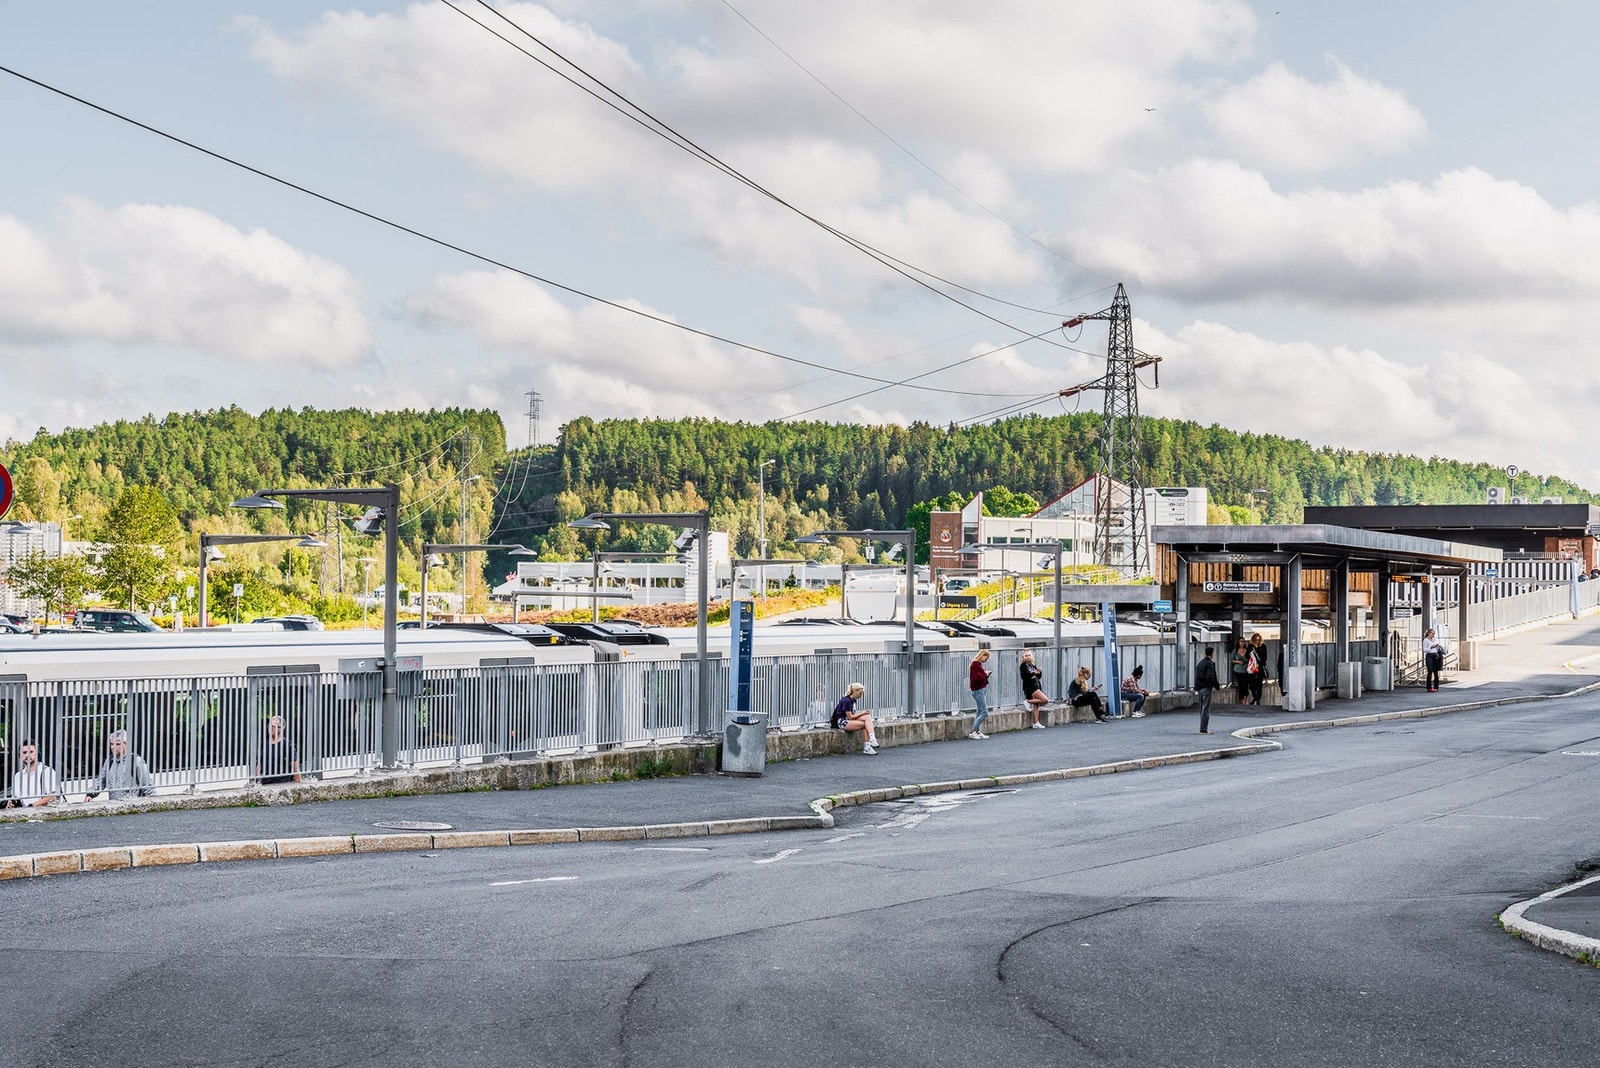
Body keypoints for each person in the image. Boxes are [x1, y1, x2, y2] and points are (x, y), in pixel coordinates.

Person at [85, 729, 154, 800]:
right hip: (113, 806)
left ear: (126, 744)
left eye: (117, 744)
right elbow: (101, 781)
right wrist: (90, 794)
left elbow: (147, 786)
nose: (113, 747)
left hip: (131, 807)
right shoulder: (109, 761)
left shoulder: (136, 761)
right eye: (111, 744)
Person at [5, 740, 60, 807]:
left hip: (43, 814)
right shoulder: (18, 776)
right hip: (24, 815)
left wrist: (31, 806)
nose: (27, 755)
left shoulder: (47, 772)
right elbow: (15, 798)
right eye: (24, 752)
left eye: (31, 752)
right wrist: (11, 803)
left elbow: (54, 796)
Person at [830, 682, 878, 755]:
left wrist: (864, 714)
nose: (861, 695)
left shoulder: (852, 700)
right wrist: (863, 713)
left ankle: (872, 738)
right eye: (860, 693)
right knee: (866, 724)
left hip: (847, 720)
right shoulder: (846, 701)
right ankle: (867, 746)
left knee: (867, 718)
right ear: (855, 692)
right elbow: (850, 717)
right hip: (841, 722)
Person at [257, 715, 301, 784]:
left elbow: (295, 768)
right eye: (270, 726)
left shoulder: (287, 745)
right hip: (265, 783)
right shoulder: (264, 744)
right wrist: (256, 781)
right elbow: (260, 765)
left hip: (282, 784)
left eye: (274, 726)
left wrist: (298, 785)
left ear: (281, 728)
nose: (271, 728)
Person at [1019, 650, 1049, 728]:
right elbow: (1024, 677)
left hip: (1036, 685)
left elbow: (1038, 677)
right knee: (1045, 700)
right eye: (1026, 656)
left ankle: (1035, 722)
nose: (1028, 657)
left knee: (1036, 704)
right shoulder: (1023, 665)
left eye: (1029, 655)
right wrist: (1033, 673)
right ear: (1023, 657)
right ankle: (1027, 701)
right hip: (1030, 687)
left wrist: (1039, 672)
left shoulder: (1032, 665)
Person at [1194, 647, 1220, 734]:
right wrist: (1216, 686)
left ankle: (1202, 727)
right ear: (1212, 653)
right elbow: (1210, 677)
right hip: (1206, 688)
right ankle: (1203, 728)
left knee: (1202, 708)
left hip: (1200, 688)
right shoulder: (1209, 664)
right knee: (1206, 709)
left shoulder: (1200, 663)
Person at [968, 649, 992, 739]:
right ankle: (973, 730)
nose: (986, 659)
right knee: (984, 712)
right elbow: (976, 678)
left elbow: (978, 677)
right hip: (978, 690)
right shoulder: (975, 664)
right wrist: (985, 674)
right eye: (986, 657)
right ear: (982, 655)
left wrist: (985, 674)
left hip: (980, 689)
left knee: (979, 711)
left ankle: (977, 730)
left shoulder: (977, 664)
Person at [1246, 633, 1270, 706]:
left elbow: (1265, 657)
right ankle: (1254, 696)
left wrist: (1259, 663)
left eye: (1258, 640)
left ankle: (1258, 698)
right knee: (1251, 683)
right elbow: (1247, 656)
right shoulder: (1250, 647)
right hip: (1252, 667)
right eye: (1256, 640)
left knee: (1259, 683)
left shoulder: (1263, 646)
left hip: (1260, 667)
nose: (1257, 641)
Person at [1421, 628, 1445, 693]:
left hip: (1435, 656)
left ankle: (1436, 686)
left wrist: (1437, 647)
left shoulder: (1434, 640)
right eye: (1432, 633)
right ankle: (1429, 687)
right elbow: (1425, 650)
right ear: (1428, 634)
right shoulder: (1426, 640)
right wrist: (1431, 648)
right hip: (1429, 656)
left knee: (1436, 672)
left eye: (1434, 634)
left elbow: (1436, 648)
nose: (1433, 635)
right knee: (1430, 671)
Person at [1229, 638, 1250, 704]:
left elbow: (1251, 659)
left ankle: (1245, 700)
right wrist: (1238, 661)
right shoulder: (1235, 651)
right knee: (1240, 685)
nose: (1242, 643)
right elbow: (1232, 660)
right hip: (1238, 670)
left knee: (1245, 685)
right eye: (1241, 641)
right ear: (1238, 642)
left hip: (1246, 670)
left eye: (1243, 641)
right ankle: (1242, 700)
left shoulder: (1247, 650)